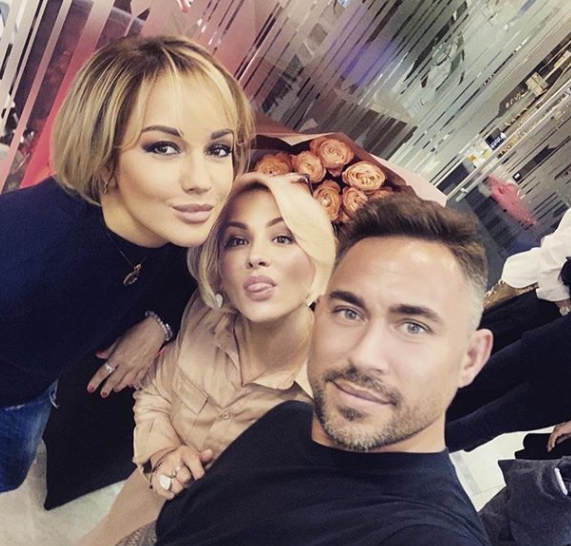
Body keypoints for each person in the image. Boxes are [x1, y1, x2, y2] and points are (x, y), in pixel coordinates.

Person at [145, 194, 494, 546]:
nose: (364, 356)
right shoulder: (287, 421)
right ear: (321, 311)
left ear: (470, 358)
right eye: (349, 313)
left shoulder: (429, 534)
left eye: (413, 327)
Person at [0, 34, 254, 493]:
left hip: (38, 387)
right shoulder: (21, 252)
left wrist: (159, 324)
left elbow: (187, 274)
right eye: (163, 147)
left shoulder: (181, 224)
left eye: (218, 149)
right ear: (103, 159)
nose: (203, 181)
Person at [76, 172, 336, 546]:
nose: (256, 257)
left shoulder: (332, 391)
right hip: (132, 517)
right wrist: (162, 455)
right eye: (237, 240)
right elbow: (155, 395)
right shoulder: (201, 317)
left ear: (317, 256)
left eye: (282, 238)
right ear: (219, 267)